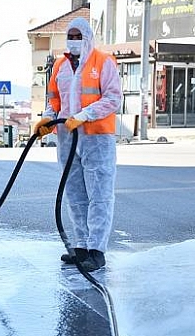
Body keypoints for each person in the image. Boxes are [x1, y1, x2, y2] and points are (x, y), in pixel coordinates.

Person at [34, 17, 122, 272]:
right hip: (67, 138)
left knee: (100, 196)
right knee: (75, 195)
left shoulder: (103, 62)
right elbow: (54, 101)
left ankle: (97, 250)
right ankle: (80, 247)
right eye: (69, 36)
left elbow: (113, 98)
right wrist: (48, 119)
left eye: (77, 35)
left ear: (87, 36)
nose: (73, 40)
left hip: (96, 138)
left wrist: (84, 115)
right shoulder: (60, 66)